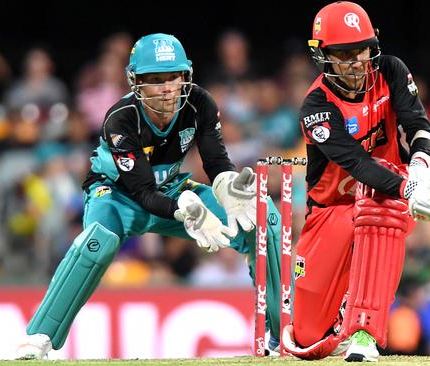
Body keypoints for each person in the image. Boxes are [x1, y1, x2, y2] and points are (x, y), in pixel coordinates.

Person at [15, 33, 285, 359]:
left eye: (173, 77)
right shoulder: (121, 119)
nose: (166, 88)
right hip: (116, 195)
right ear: (135, 82)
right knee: (97, 242)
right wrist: (183, 209)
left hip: (172, 189)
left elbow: (216, 163)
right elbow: (142, 192)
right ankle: (38, 337)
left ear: (186, 76)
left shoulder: (200, 103)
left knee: (262, 212)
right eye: (154, 80)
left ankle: (282, 328)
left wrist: (229, 187)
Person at [281, 2, 430, 362]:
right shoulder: (316, 106)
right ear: (323, 56)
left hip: (387, 197)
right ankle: (342, 320)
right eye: (343, 55)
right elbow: (357, 164)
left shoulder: (390, 70)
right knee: (308, 338)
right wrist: (409, 188)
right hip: (330, 212)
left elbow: (418, 126)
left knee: (379, 206)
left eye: (361, 51)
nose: (356, 62)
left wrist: (420, 167)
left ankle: (364, 333)